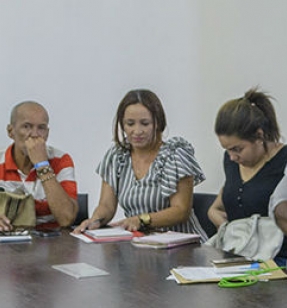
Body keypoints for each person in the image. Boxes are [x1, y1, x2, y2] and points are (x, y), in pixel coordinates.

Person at [76, 89, 206, 237]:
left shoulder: (174, 155)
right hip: (140, 243)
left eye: (145, 123)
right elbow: (106, 205)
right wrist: (95, 221)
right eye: (130, 124)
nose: (137, 131)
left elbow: (181, 211)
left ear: (157, 123)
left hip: (182, 246)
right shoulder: (116, 156)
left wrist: (142, 220)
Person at [206, 88, 287, 264]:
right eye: (227, 150)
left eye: (237, 149)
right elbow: (217, 207)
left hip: (276, 258)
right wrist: (221, 223)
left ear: (259, 135)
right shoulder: (231, 161)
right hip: (237, 254)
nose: (233, 157)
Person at [0, 100, 78, 235]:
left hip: (50, 244)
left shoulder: (61, 160)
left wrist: (42, 165)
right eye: (27, 127)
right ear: (11, 131)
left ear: (47, 133)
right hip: (2, 244)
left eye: (41, 128)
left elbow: (66, 219)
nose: (34, 134)